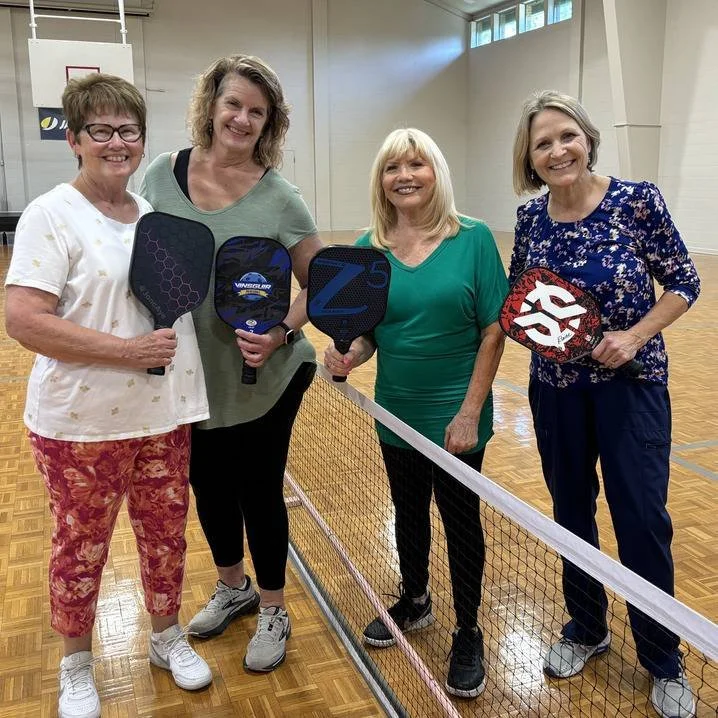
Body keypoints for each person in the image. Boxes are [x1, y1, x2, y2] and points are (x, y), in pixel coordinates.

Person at [4, 74, 212, 718]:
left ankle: (166, 636)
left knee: (165, 536)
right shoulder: (50, 214)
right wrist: (126, 353)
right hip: (79, 425)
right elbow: (22, 319)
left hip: (161, 417)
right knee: (80, 546)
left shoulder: (153, 220)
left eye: (128, 131)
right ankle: (76, 664)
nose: (116, 142)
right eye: (101, 130)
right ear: (74, 139)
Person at [509, 90, 700, 718]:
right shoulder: (532, 219)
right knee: (571, 514)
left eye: (567, 135)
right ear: (530, 158)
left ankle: (664, 660)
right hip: (556, 392)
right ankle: (586, 628)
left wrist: (636, 334)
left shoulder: (637, 201)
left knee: (642, 520)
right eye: (543, 143)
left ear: (587, 137)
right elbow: (521, 295)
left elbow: (684, 281)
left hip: (633, 388)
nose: (558, 150)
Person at [140, 54, 322, 673]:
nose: (242, 118)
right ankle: (233, 586)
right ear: (211, 106)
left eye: (257, 111)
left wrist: (279, 331)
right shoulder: (161, 176)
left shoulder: (280, 197)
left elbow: (322, 283)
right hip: (190, 372)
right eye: (233, 104)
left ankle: (273, 607)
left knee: (258, 488)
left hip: (266, 375)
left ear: (269, 124)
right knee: (208, 486)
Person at [323, 128, 508, 698]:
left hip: (458, 415)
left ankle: (469, 629)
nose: (404, 175)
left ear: (436, 173)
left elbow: (494, 329)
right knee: (407, 511)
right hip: (397, 412)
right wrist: (347, 354)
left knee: (460, 521)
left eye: (416, 164)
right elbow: (368, 336)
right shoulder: (368, 246)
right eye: (392, 167)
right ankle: (415, 597)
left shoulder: (472, 238)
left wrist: (469, 411)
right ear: (381, 180)